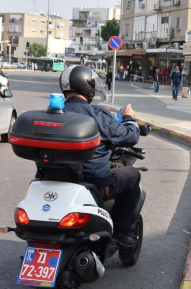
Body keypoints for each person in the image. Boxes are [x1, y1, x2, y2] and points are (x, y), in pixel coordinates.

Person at [59, 65, 141, 247]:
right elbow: (130, 136)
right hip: (94, 186)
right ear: (88, 87)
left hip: (54, 180)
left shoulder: (53, 113)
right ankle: (121, 233)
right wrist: (129, 118)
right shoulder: (98, 116)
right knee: (133, 175)